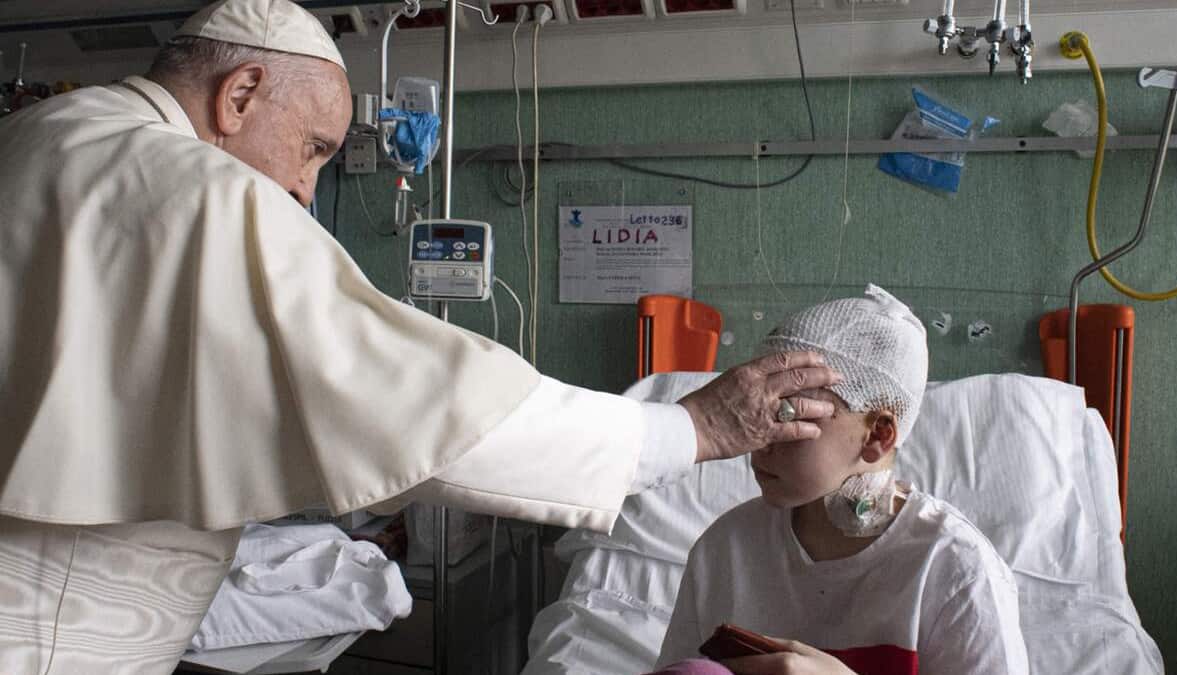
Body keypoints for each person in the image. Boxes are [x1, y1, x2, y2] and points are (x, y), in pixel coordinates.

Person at [0, 1, 841, 673]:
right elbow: (420, 406)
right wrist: (688, 428)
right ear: (241, 94)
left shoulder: (37, 140)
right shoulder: (199, 191)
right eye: (313, 149)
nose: (301, 191)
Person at [653, 285, 1029, 675]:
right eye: (758, 410)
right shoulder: (726, 549)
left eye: (789, 414)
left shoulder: (954, 568)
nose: (758, 435)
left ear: (878, 436)